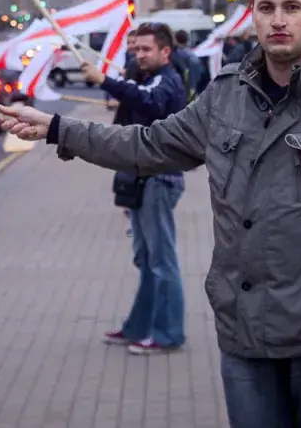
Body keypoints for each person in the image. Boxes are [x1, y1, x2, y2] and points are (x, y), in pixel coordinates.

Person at [0, 0, 301, 428]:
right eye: (267, 7)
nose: (279, 19)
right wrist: (58, 128)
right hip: (243, 327)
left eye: (292, 6)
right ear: (253, 14)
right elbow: (149, 145)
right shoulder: (225, 93)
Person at [87, 21, 189, 355]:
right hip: (143, 178)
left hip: (160, 179)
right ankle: (140, 327)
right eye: (136, 50)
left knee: (162, 261)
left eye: (146, 50)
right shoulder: (145, 78)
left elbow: (148, 102)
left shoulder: (167, 81)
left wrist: (106, 81)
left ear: (165, 51)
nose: (140, 55)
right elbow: (126, 123)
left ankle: (168, 334)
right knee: (147, 260)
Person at [173, 29, 204, 102]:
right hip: (192, 90)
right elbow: (199, 73)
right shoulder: (192, 54)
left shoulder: (176, 54)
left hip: (182, 91)